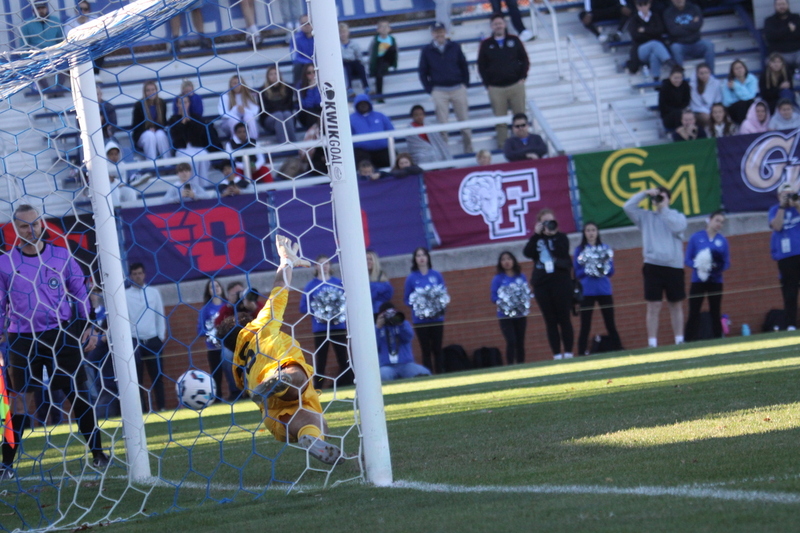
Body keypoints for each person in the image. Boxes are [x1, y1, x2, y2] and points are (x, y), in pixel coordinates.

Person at [0, 205, 108, 481]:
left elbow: (80, 292)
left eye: (35, 224)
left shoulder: (61, 255)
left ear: (42, 224)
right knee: (20, 402)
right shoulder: (5, 263)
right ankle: (6, 463)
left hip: (60, 334)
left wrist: (89, 327)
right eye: (25, 226)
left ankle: (98, 453)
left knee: (78, 394)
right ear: (15, 230)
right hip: (22, 338)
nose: (31, 229)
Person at [217, 235, 346, 465]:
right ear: (247, 323)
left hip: (270, 411)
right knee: (296, 373)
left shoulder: (238, 366)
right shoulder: (259, 326)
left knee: (316, 423)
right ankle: (283, 379)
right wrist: (285, 262)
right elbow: (279, 288)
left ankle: (312, 439)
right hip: (277, 372)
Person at [623, 186, 687, 347]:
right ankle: (652, 342)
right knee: (653, 305)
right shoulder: (646, 217)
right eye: (657, 198)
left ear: (669, 199)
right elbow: (627, 207)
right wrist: (644, 194)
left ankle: (679, 339)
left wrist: (664, 209)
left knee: (676, 304)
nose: (659, 200)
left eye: (662, 197)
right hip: (653, 265)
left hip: (674, 266)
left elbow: (677, 227)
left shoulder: (677, 216)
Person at [523, 209, 574, 360]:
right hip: (542, 284)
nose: (548, 225)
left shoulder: (562, 238)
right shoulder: (537, 239)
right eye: (544, 222)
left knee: (564, 318)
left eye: (551, 221)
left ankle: (569, 352)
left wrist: (552, 235)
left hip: (561, 282)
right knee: (550, 320)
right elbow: (527, 253)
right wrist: (536, 235)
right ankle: (557, 354)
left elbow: (563, 252)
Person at [418, 22, 473, 154]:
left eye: (441, 31)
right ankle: (445, 154)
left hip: (457, 88)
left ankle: (469, 150)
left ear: (445, 32)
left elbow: (463, 65)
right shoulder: (426, 50)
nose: (439, 34)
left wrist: (465, 84)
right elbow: (422, 71)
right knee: (442, 125)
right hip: (439, 90)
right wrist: (430, 89)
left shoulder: (454, 46)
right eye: (436, 32)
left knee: (464, 122)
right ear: (432, 34)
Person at [299, 256, 352, 389]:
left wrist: (337, 312)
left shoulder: (338, 283)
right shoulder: (310, 286)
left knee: (343, 356)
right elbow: (303, 307)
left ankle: (348, 381)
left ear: (330, 265)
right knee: (321, 359)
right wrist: (319, 311)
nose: (324, 266)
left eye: (327, 263)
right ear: (316, 266)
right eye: (321, 263)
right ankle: (318, 385)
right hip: (320, 329)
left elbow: (348, 303)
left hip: (338, 327)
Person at [477, 14, 530, 147]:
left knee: (520, 119)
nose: (498, 26)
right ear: (491, 26)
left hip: (515, 86)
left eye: (500, 23)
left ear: (505, 24)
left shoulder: (514, 40)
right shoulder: (486, 44)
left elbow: (524, 59)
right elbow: (481, 66)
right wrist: (488, 84)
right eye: (495, 24)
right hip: (496, 89)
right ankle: (503, 147)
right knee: (500, 121)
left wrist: (523, 77)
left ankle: (523, 145)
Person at [574, 222, 623, 356]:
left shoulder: (605, 248)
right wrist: (590, 269)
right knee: (585, 325)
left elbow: (611, 271)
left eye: (593, 230)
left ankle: (619, 349)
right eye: (588, 230)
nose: (591, 233)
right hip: (587, 291)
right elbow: (577, 272)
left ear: (597, 232)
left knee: (610, 323)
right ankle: (581, 353)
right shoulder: (580, 250)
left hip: (604, 290)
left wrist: (600, 269)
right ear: (584, 233)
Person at [126, 262, 167, 412]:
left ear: (144, 274)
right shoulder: (125, 295)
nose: (137, 276)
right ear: (130, 276)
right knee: (137, 379)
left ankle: (162, 407)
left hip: (153, 340)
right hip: (134, 341)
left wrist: (160, 336)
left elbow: (160, 314)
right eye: (134, 274)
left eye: (140, 273)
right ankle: (141, 410)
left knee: (157, 377)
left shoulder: (153, 292)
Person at [684, 210, 730, 341]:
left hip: (716, 281)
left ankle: (718, 338)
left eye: (722, 222)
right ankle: (689, 340)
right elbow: (687, 259)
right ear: (709, 220)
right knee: (694, 310)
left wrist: (716, 269)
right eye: (717, 220)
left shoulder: (722, 241)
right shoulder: (696, 238)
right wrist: (700, 266)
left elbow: (727, 262)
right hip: (698, 280)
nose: (719, 224)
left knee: (715, 310)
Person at [404, 248, 448, 373]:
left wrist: (437, 306)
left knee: (437, 348)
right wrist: (419, 306)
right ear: (415, 259)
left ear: (428, 257)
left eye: (423, 255)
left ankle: (440, 372)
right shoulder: (411, 278)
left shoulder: (436, 275)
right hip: (420, 320)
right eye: (418, 256)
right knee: (425, 349)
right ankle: (428, 374)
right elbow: (406, 299)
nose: (421, 258)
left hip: (437, 319)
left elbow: (443, 294)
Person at [769, 182, 800, 330]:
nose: (788, 197)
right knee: (789, 292)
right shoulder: (774, 210)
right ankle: (791, 325)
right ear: (779, 196)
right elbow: (777, 226)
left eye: (790, 194)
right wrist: (782, 206)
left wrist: (797, 204)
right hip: (786, 258)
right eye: (785, 194)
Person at [490, 251, 530, 365]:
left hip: (520, 315)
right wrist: (505, 302)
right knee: (511, 341)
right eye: (503, 259)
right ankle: (510, 365)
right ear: (500, 263)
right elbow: (493, 297)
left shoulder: (521, 276)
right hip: (505, 316)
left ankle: (522, 365)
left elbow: (526, 293)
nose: (506, 262)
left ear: (513, 261)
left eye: (509, 259)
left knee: (520, 341)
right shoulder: (497, 279)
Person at [375, 302, 431, 382]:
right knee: (382, 376)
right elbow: (374, 346)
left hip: (406, 364)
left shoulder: (404, 324)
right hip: (386, 366)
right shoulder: (377, 329)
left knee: (425, 373)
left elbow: (408, 337)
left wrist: (400, 323)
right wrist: (378, 327)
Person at [21, 2, 64, 89]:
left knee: (64, 63)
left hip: (54, 53)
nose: (41, 10)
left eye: (43, 8)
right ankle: (46, 90)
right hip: (37, 54)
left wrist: (62, 53)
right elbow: (23, 46)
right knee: (35, 68)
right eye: (38, 9)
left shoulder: (55, 21)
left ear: (47, 8)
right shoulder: (27, 24)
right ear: (34, 10)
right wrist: (25, 61)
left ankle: (59, 89)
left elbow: (61, 40)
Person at [663, 0, 715, 72]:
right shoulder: (668, 13)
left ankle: (710, 74)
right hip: (680, 44)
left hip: (696, 42)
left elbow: (698, 25)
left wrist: (680, 26)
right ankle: (680, 75)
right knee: (675, 47)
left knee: (709, 45)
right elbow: (673, 31)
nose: (679, 1)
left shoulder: (694, 8)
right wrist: (691, 24)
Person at [168, 94, 210, 181]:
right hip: (182, 149)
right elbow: (176, 137)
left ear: (189, 103)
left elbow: (199, 134)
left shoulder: (196, 117)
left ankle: (204, 184)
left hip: (197, 147)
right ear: (177, 104)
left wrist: (190, 121)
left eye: (185, 102)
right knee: (191, 159)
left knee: (203, 155)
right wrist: (182, 123)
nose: (183, 105)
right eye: (181, 103)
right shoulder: (173, 119)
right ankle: (192, 185)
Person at [627, 0, 671, 82]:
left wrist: (645, 30)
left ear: (649, 4)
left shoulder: (655, 16)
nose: (643, 7)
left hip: (655, 47)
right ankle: (669, 62)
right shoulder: (634, 19)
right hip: (641, 49)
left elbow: (660, 30)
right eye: (640, 5)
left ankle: (656, 78)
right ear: (637, 6)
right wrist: (652, 32)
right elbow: (636, 36)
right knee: (654, 44)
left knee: (654, 55)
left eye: (645, 4)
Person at [198, 279, 227, 400]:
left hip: (228, 346)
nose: (215, 288)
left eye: (217, 285)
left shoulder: (228, 305)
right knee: (216, 372)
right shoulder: (205, 309)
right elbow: (200, 329)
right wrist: (210, 333)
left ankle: (237, 393)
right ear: (208, 291)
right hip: (213, 347)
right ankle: (217, 397)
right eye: (211, 287)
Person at [350, 94, 394, 169]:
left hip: (382, 150)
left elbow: (391, 130)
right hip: (362, 152)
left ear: (369, 104)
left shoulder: (380, 116)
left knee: (392, 156)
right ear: (356, 105)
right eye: (360, 104)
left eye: (365, 103)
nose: (363, 105)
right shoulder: (351, 119)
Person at [131, 80, 170, 161]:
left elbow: (163, 122)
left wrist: (155, 128)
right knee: (149, 135)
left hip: (157, 131)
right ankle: (152, 164)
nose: (151, 92)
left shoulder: (162, 103)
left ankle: (167, 162)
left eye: (153, 90)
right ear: (144, 92)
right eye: (148, 90)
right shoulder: (139, 105)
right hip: (142, 134)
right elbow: (135, 126)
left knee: (160, 135)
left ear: (156, 90)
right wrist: (148, 129)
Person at [259, 66, 297, 144]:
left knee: (286, 114)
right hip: (269, 119)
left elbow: (289, 106)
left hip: (285, 116)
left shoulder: (287, 88)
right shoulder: (263, 91)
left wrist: (277, 108)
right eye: (271, 74)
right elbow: (266, 109)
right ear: (267, 77)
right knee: (279, 115)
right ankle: (283, 145)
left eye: (276, 73)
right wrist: (279, 109)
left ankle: (294, 144)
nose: (274, 76)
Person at [764, 0, 800, 76]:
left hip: (797, 52)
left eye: (783, 4)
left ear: (788, 5)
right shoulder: (769, 21)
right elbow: (771, 37)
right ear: (775, 6)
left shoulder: (796, 18)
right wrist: (788, 29)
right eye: (779, 5)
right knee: (771, 62)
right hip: (779, 53)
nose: (781, 7)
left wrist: (780, 33)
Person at [218, 75, 260, 140]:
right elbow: (223, 113)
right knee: (234, 120)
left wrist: (244, 111)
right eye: (234, 83)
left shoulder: (249, 95)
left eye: (239, 83)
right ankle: (236, 142)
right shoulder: (225, 96)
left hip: (245, 120)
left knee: (249, 117)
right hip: (228, 123)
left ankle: (253, 140)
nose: (237, 85)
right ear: (230, 85)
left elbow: (255, 111)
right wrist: (236, 110)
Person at [721, 60, 758, 125]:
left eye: (741, 67)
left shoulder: (752, 79)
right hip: (734, 108)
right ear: (732, 71)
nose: (739, 70)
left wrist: (736, 86)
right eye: (736, 69)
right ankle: (743, 126)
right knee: (741, 105)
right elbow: (727, 102)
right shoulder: (727, 82)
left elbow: (751, 96)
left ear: (745, 68)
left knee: (751, 103)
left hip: (748, 104)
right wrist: (742, 98)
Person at [369, 20, 398, 101]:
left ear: (390, 29)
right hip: (379, 60)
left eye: (386, 26)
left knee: (392, 48)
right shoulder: (375, 40)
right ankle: (379, 96)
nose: (384, 28)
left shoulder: (392, 39)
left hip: (388, 59)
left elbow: (396, 52)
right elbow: (371, 52)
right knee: (379, 74)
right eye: (382, 27)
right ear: (378, 30)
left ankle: (386, 67)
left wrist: (395, 64)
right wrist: (371, 64)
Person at [339, 22, 369, 97]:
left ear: (348, 32)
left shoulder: (354, 44)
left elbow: (359, 56)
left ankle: (366, 87)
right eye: (340, 32)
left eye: (344, 32)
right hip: (344, 64)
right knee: (346, 68)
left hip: (353, 63)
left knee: (360, 66)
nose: (343, 34)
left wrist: (360, 62)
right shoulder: (337, 45)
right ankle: (349, 89)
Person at [658, 65, 691, 130]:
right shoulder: (665, 87)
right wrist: (677, 111)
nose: (678, 80)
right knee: (678, 114)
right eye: (675, 78)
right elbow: (663, 105)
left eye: (680, 78)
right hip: (668, 115)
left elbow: (686, 101)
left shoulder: (685, 85)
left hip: (682, 113)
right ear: (670, 77)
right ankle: (681, 132)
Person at [689, 63, 721, 129]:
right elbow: (696, 104)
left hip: (712, 109)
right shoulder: (692, 85)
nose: (704, 75)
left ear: (709, 72)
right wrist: (707, 111)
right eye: (701, 73)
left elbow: (717, 100)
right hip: (697, 111)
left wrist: (714, 111)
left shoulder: (716, 83)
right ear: (697, 74)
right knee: (707, 117)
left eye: (706, 73)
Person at [367, 250, 393, 316]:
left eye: (370, 259)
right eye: (366, 259)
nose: (368, 262)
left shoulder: (382, 277)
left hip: (378, 311)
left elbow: (389, 295)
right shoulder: (358, 277)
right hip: (365, 311)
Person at [290, 15, 314, 85]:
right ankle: (298, 90)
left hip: (318, 63)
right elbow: (294, 57)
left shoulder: (319, 36)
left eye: (308, 23)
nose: (306, 26)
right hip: (303, 65)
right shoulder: (295, 38)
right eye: (304, 24)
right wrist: (309, 62)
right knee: (297, 67)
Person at [297, 64, 322, 130]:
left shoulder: (322, 83)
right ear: (305, 74)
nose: (312, 74)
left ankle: (314, 130)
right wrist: (311, 89)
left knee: (321, 112)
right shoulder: (300, 85)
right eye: (309, 73)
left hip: (319, 110)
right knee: (312, 112)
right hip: (306, 113)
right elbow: (307, 104)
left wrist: (316, 87)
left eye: (314, 72)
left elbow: (319, 102)